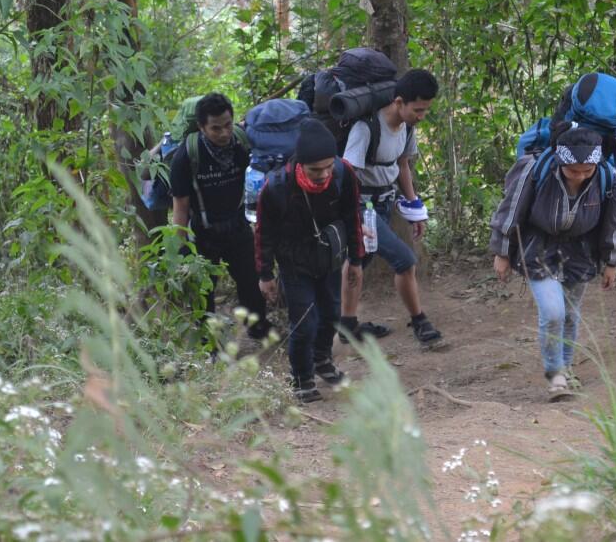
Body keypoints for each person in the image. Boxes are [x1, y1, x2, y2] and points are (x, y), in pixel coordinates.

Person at [490, 126, 616, 399]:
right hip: (537, 248)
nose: (579, 176)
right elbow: (510, 210)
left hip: (581, 252)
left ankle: (566, 369)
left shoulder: (609, 179)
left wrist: (611, 261)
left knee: (571, 315)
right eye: (572, 170)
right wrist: (503, 252)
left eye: (586, 171)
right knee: (553, 312)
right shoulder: (534, 170)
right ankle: (555, 374)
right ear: (559, 161)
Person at [255, 118, 365, 403]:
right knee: (304, 322)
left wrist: (356, 259)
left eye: (328, 166)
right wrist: (265, 274)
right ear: (300, 164)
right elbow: (263, 233)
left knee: (331, 315)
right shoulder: (276, 187)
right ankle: (302, 377)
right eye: (316, 169)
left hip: (329, 259)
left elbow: (353, 217)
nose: (323, 174)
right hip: (294, 264)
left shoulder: (343, 174)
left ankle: (322, 361)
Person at [339, 68, 444, 348]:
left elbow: (402, 166)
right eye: (418, 110)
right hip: (363, 208)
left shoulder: (407, 128)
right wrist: (356, 219)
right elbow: (347, 175)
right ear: (399, 102)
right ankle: (419, 320)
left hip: (384, 204)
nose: (421, 116)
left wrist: (414, 208)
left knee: (359, 261)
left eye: (426, 110)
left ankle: (347, 325)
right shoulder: (366, 128)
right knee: (404, 260)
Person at [170, 93, 272, 342]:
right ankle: (208, 342)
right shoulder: (187, 156)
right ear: (202, 127)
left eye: (227, 125)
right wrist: (181, 246)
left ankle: (258, 328)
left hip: (238, 226)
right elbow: (180, 206)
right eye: (215, 128)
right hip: (204, 232)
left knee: (250, 280)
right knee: (204, 290)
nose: (224, 133)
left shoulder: (241, 144)